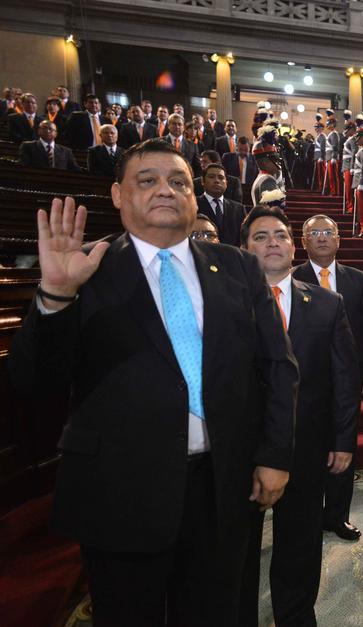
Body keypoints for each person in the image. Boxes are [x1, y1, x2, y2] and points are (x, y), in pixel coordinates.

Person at [7, 139, 297, 626]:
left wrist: (273, 456)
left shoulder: (238, 267)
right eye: (148, 180)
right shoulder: (85, 270)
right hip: (121, 493)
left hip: (223, 488)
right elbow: (34, 385)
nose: (166, 189)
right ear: (118, 195)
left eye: (179, 181)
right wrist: (56, 295)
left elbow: (277, 366)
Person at [239, 206, 358, 627]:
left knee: (300, 542)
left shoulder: (327, 303)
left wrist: (343, 441)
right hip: (241, 450)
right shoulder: (223, 304)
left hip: (307, 445)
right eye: (260, 236)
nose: (272, 241)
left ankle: (295, 615)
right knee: (239, 549)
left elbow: (345, 378)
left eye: (280, 235)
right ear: (243, 248)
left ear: (294, 246)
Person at [294, 214, 363, 542]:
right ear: (303, 242)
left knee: (345, 445)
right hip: (308, 381)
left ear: (338, 239)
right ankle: (310, 515)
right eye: (314, 232)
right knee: (311, 449)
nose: (322, 237)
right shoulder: (292, 277)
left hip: (348, 379)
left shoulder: (357, 279)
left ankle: (339, 516)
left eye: (328, 232)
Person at [195, 163, 247, 247]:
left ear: (226, 183)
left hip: (232, 257)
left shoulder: (238, 209)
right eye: (211, 177)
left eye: (221, 177)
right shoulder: (193, 205)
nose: (216, 181)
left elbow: (243, 239)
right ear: (202, 181)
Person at [251, 127, 287, 207]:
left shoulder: (263, 177)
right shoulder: (268, 181)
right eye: (275, 159)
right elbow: (276, 210)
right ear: (264, 162)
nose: (278, 163)